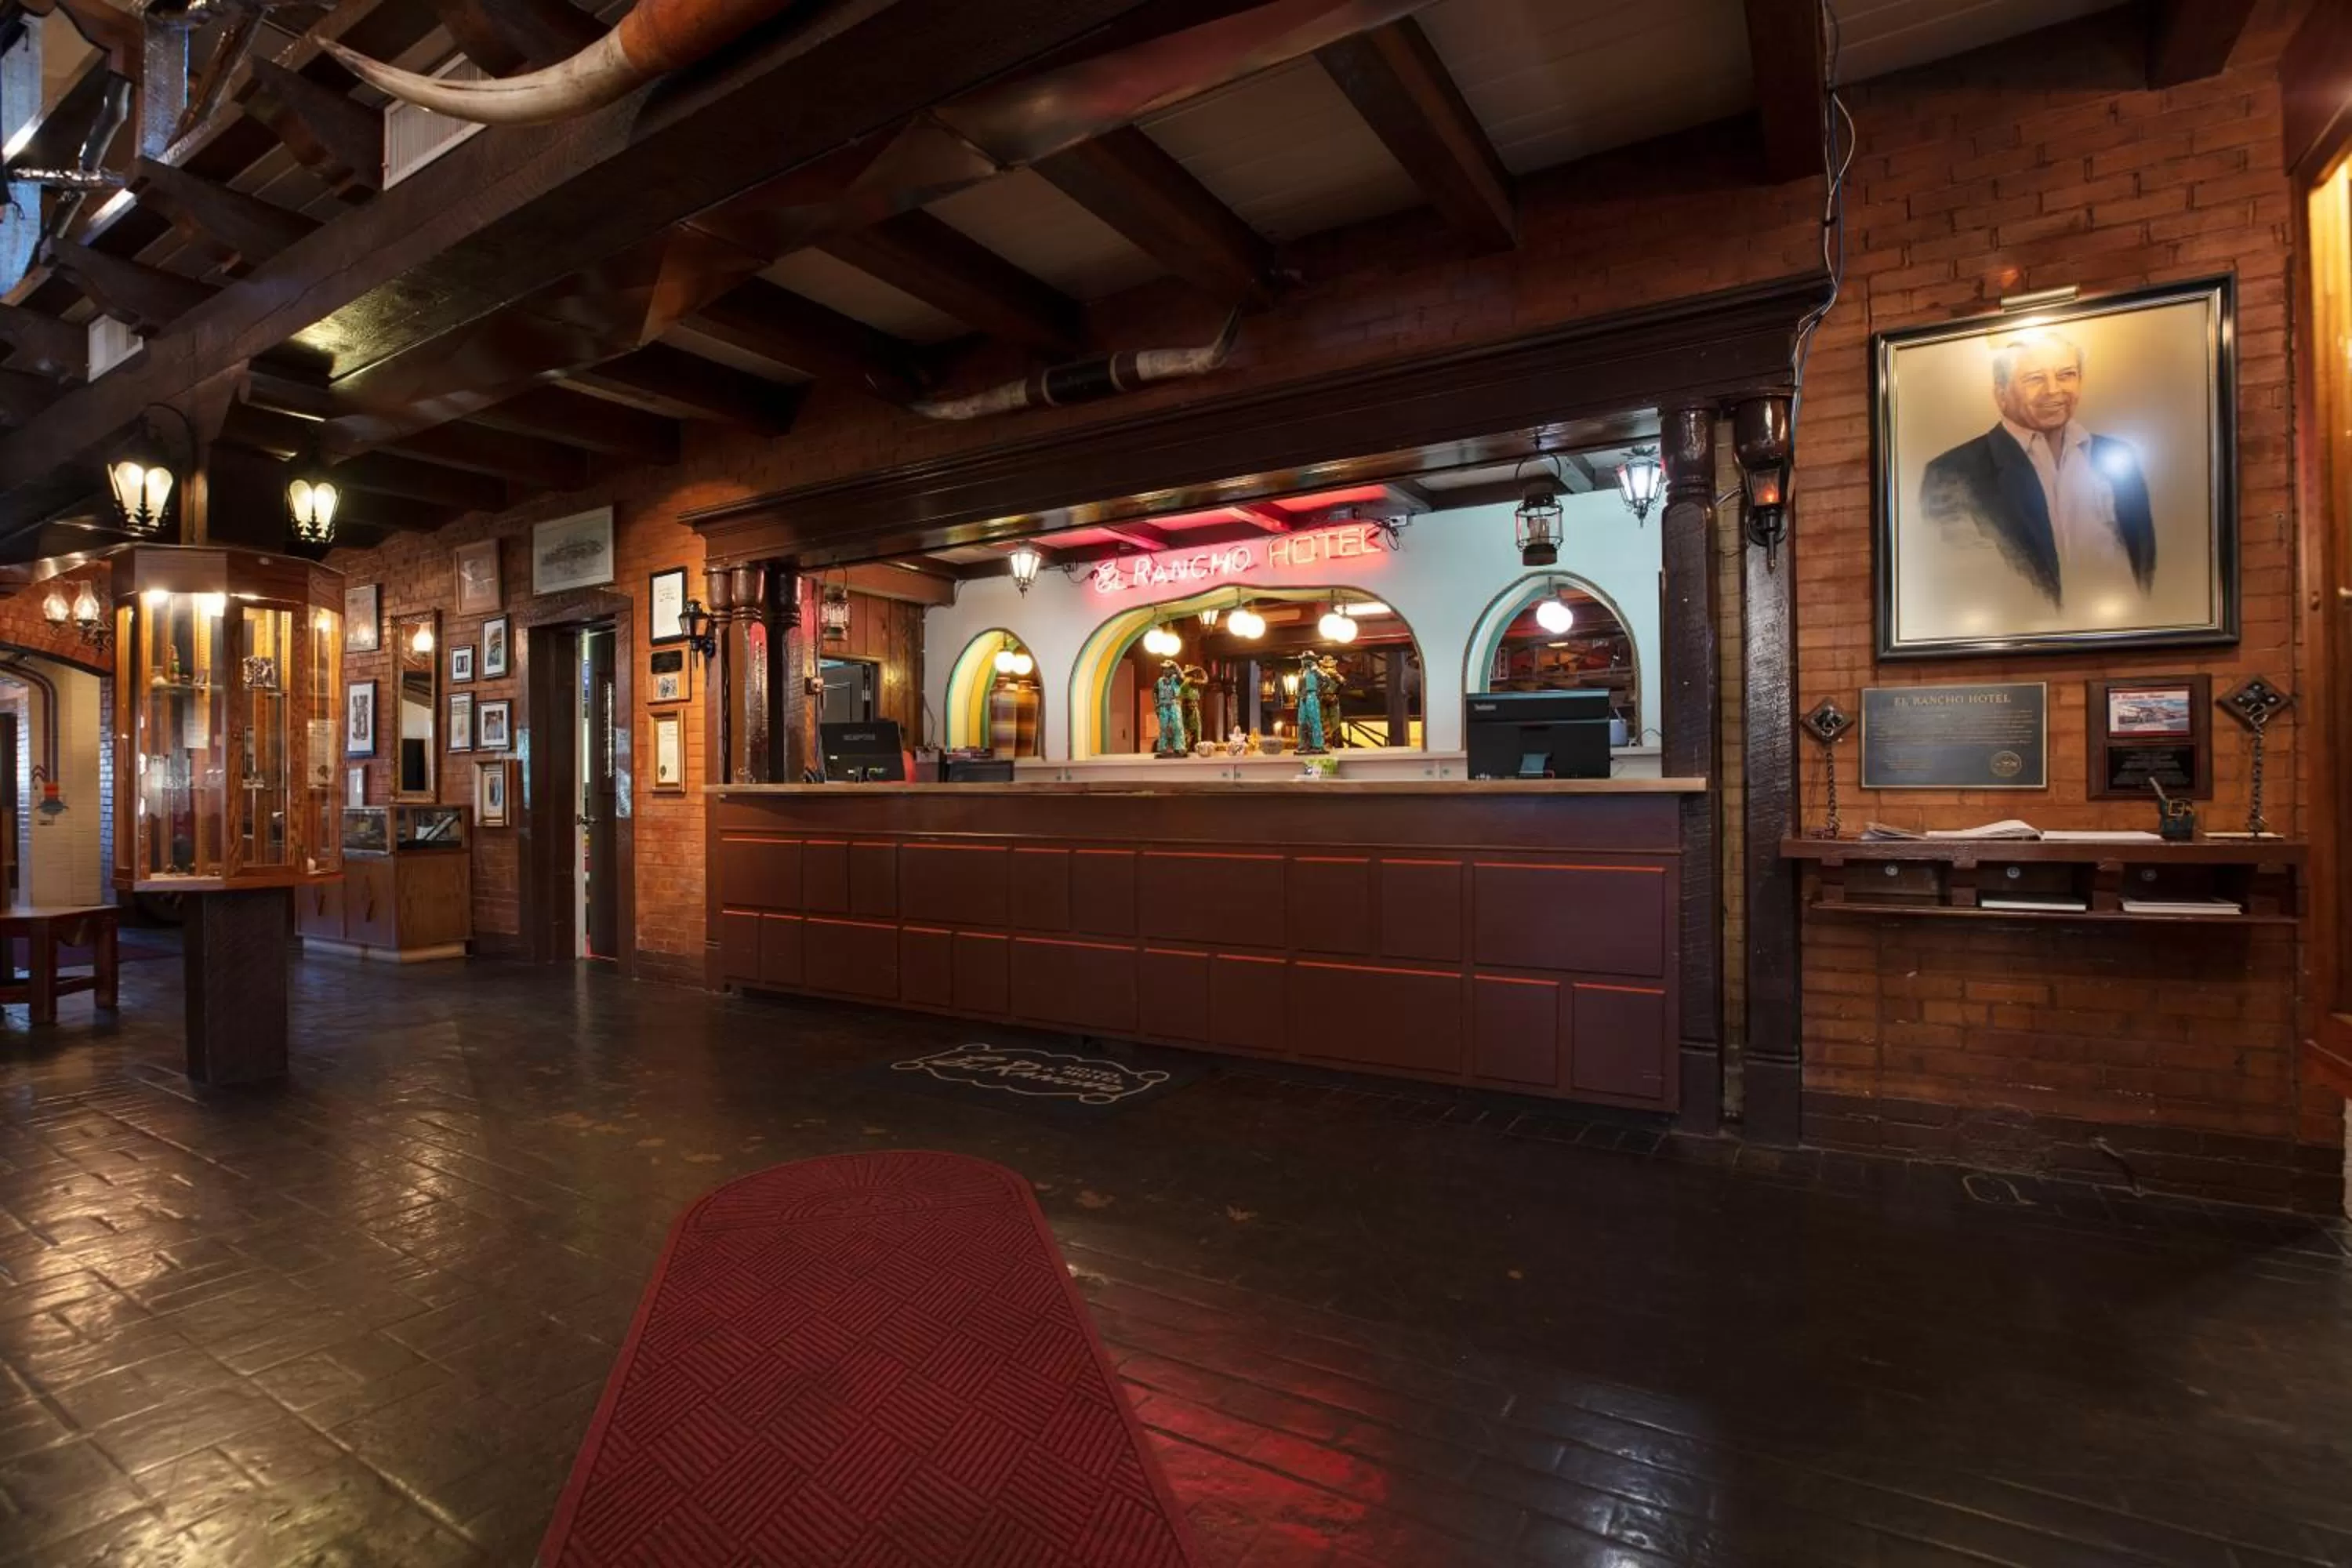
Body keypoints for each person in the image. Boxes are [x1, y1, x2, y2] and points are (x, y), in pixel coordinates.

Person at [1918, 332, 2154, 609]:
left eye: (2066, 374)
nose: (2053, 390)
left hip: (2121, 630)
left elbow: (2144, 559)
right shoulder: (1953, 472)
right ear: (2001, 395)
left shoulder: (2118, 455)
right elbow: (1958, 580)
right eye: (2034, 379)